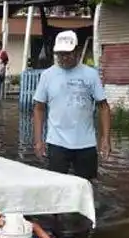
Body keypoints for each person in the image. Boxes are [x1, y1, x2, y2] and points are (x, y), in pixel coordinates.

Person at [32, 30, 111, 181]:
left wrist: (105, 139)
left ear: (77, 51)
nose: (63, 58)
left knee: (86, 187)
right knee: (56, 186)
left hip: (85, 143)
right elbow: (39, 108)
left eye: (67, 53)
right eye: (60, 54)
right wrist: (38, 140)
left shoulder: (90, 75)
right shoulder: (47, 75)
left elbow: (104, 107)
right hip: (57, 143)